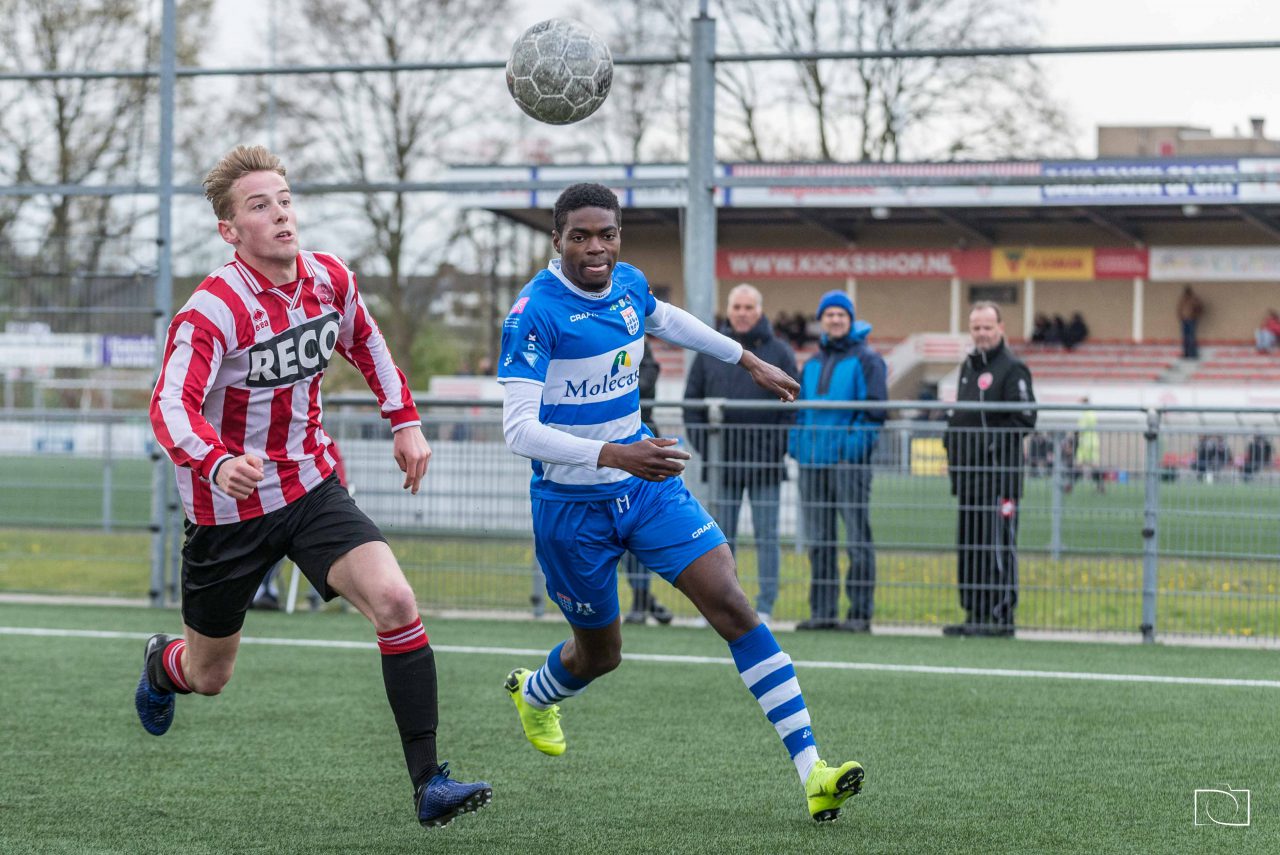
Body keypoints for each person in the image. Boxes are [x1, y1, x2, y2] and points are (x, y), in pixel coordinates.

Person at [139, 145, 491, 829]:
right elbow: (169, 404)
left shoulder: (329, 278)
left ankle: (429, 783)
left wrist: (405, 421)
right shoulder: (211, 310)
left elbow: (367, 342)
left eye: (285, 199)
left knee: (395, 600)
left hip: (311, 488)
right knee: (209, 676)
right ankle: (162, 666)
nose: (280, 214)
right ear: (229, 230)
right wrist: (216, 460)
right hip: (228, 512)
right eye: (259, 205)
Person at [496, 183, 864, 822]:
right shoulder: (533, 314)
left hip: (647, 486)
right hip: (570, 506)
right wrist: (615, 454)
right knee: (601, 654)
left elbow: (667, 318)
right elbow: (518, 431)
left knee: (731, 602)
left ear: (619, 236)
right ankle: (536, 693)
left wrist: (747, 359)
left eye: (606, 234)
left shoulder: (628, 284)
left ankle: (814, 772)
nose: (595, 248)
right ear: (557, 241)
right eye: (580, 236)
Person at [684, 284, 798, 624]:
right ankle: (720, 607)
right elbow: (692, 405)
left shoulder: (780, 352)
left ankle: (765, 606)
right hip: (722, 464)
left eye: (749, 307)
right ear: (729, 310)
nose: (743, 313)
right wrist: (710, 450)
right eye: (737, 307)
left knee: (767, 537)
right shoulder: (711, 349)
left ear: (759, 310)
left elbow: (792, 405)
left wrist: (775, 449)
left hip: (765, 465)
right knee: (717, 541)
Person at [789, 291, 887, 633]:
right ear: (821, 321)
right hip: (812, 461)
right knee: (819, 541)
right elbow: (800, 410)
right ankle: (823, 612)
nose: (834, 320)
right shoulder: (812, 363)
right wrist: (797, 445)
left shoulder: (868, 360)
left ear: (850, 319)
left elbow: (875, 411)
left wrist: (851, 449)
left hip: (848, 464)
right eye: (829, 314)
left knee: (857, 539)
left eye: (840, 314)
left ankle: (859, 613)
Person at [942, 301, 1036, 638]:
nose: (981, 333)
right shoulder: (969, 366)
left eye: (987, 327)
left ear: (1000, 328)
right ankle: (975, 613)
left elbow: (1025, 418)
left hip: (999, 479)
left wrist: (989, 446)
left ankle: (1000, 614)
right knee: (970, 547)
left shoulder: (1013, 369)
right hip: (968, 478)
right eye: (976, 328)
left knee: (996, 546)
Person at [623, 337, 673, 625]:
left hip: (641, 444)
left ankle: (643, 598)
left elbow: (647, 379)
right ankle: (645, 599)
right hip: (607, 451)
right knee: (615, 533)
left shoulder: (637, 343)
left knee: (639, 527)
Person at [1177, 286, 1203, 359]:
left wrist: (1196, 316)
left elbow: (1200, 308)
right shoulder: (1182, 300)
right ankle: (1186, 353)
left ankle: (1192, 353)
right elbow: (1179, 309)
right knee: (1185, 337)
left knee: (1191, 337)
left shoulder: (1194, 299)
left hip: (1192, 319)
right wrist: (1180, 316)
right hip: (1184, 320)